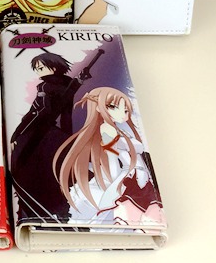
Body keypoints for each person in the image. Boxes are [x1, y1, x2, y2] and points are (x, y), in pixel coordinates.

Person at [54, 87, 163, 227]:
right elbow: (113, 159)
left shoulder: (117, 130)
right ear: (99, 108)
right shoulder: (107, 130)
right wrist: (116, 181)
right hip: (124, 175)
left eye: (125, 110)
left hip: (133, 174)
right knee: (113, 209)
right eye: (113, 107)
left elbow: (130, 153)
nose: (122, 114)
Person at [10, 52, 87, 221]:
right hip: (55, 135)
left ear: (53, 67)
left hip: (37, 134)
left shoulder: (45, 87)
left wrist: (17, 134)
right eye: (36, 69)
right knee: (54, 173)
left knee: (24, 169)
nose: (38, 71)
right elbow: (67, 115)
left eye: (41, 68)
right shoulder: (68, 86)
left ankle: (34, 211)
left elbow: (38, 113)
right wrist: (66, 137)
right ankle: (60, 210)